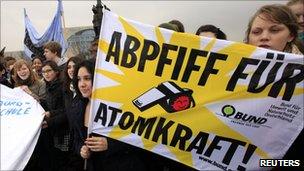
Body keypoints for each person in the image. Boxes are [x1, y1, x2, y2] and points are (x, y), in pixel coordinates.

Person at [244, 3, 303, 164]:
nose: (264, 36)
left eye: (274, 30)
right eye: (256, 32)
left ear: (290, 35)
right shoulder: (233, 69)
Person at [69, 60, 147, 171]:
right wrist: (81, 150)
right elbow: (76, 139)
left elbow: (138, 137)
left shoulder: (118, 105)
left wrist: (110, 144)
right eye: (79, 79)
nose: (82, 84)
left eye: (87, 78)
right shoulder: (78, 106)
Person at [41, 60, 70, 170]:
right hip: (54, 129)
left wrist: (50, 116)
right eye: (43, 72)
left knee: (65, 160)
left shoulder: (63, 86)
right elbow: (49, 106)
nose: (46, 74)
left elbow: (66, 110)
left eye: (49, 70)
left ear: (56, 71)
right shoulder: (48, 86)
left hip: (64, 130)